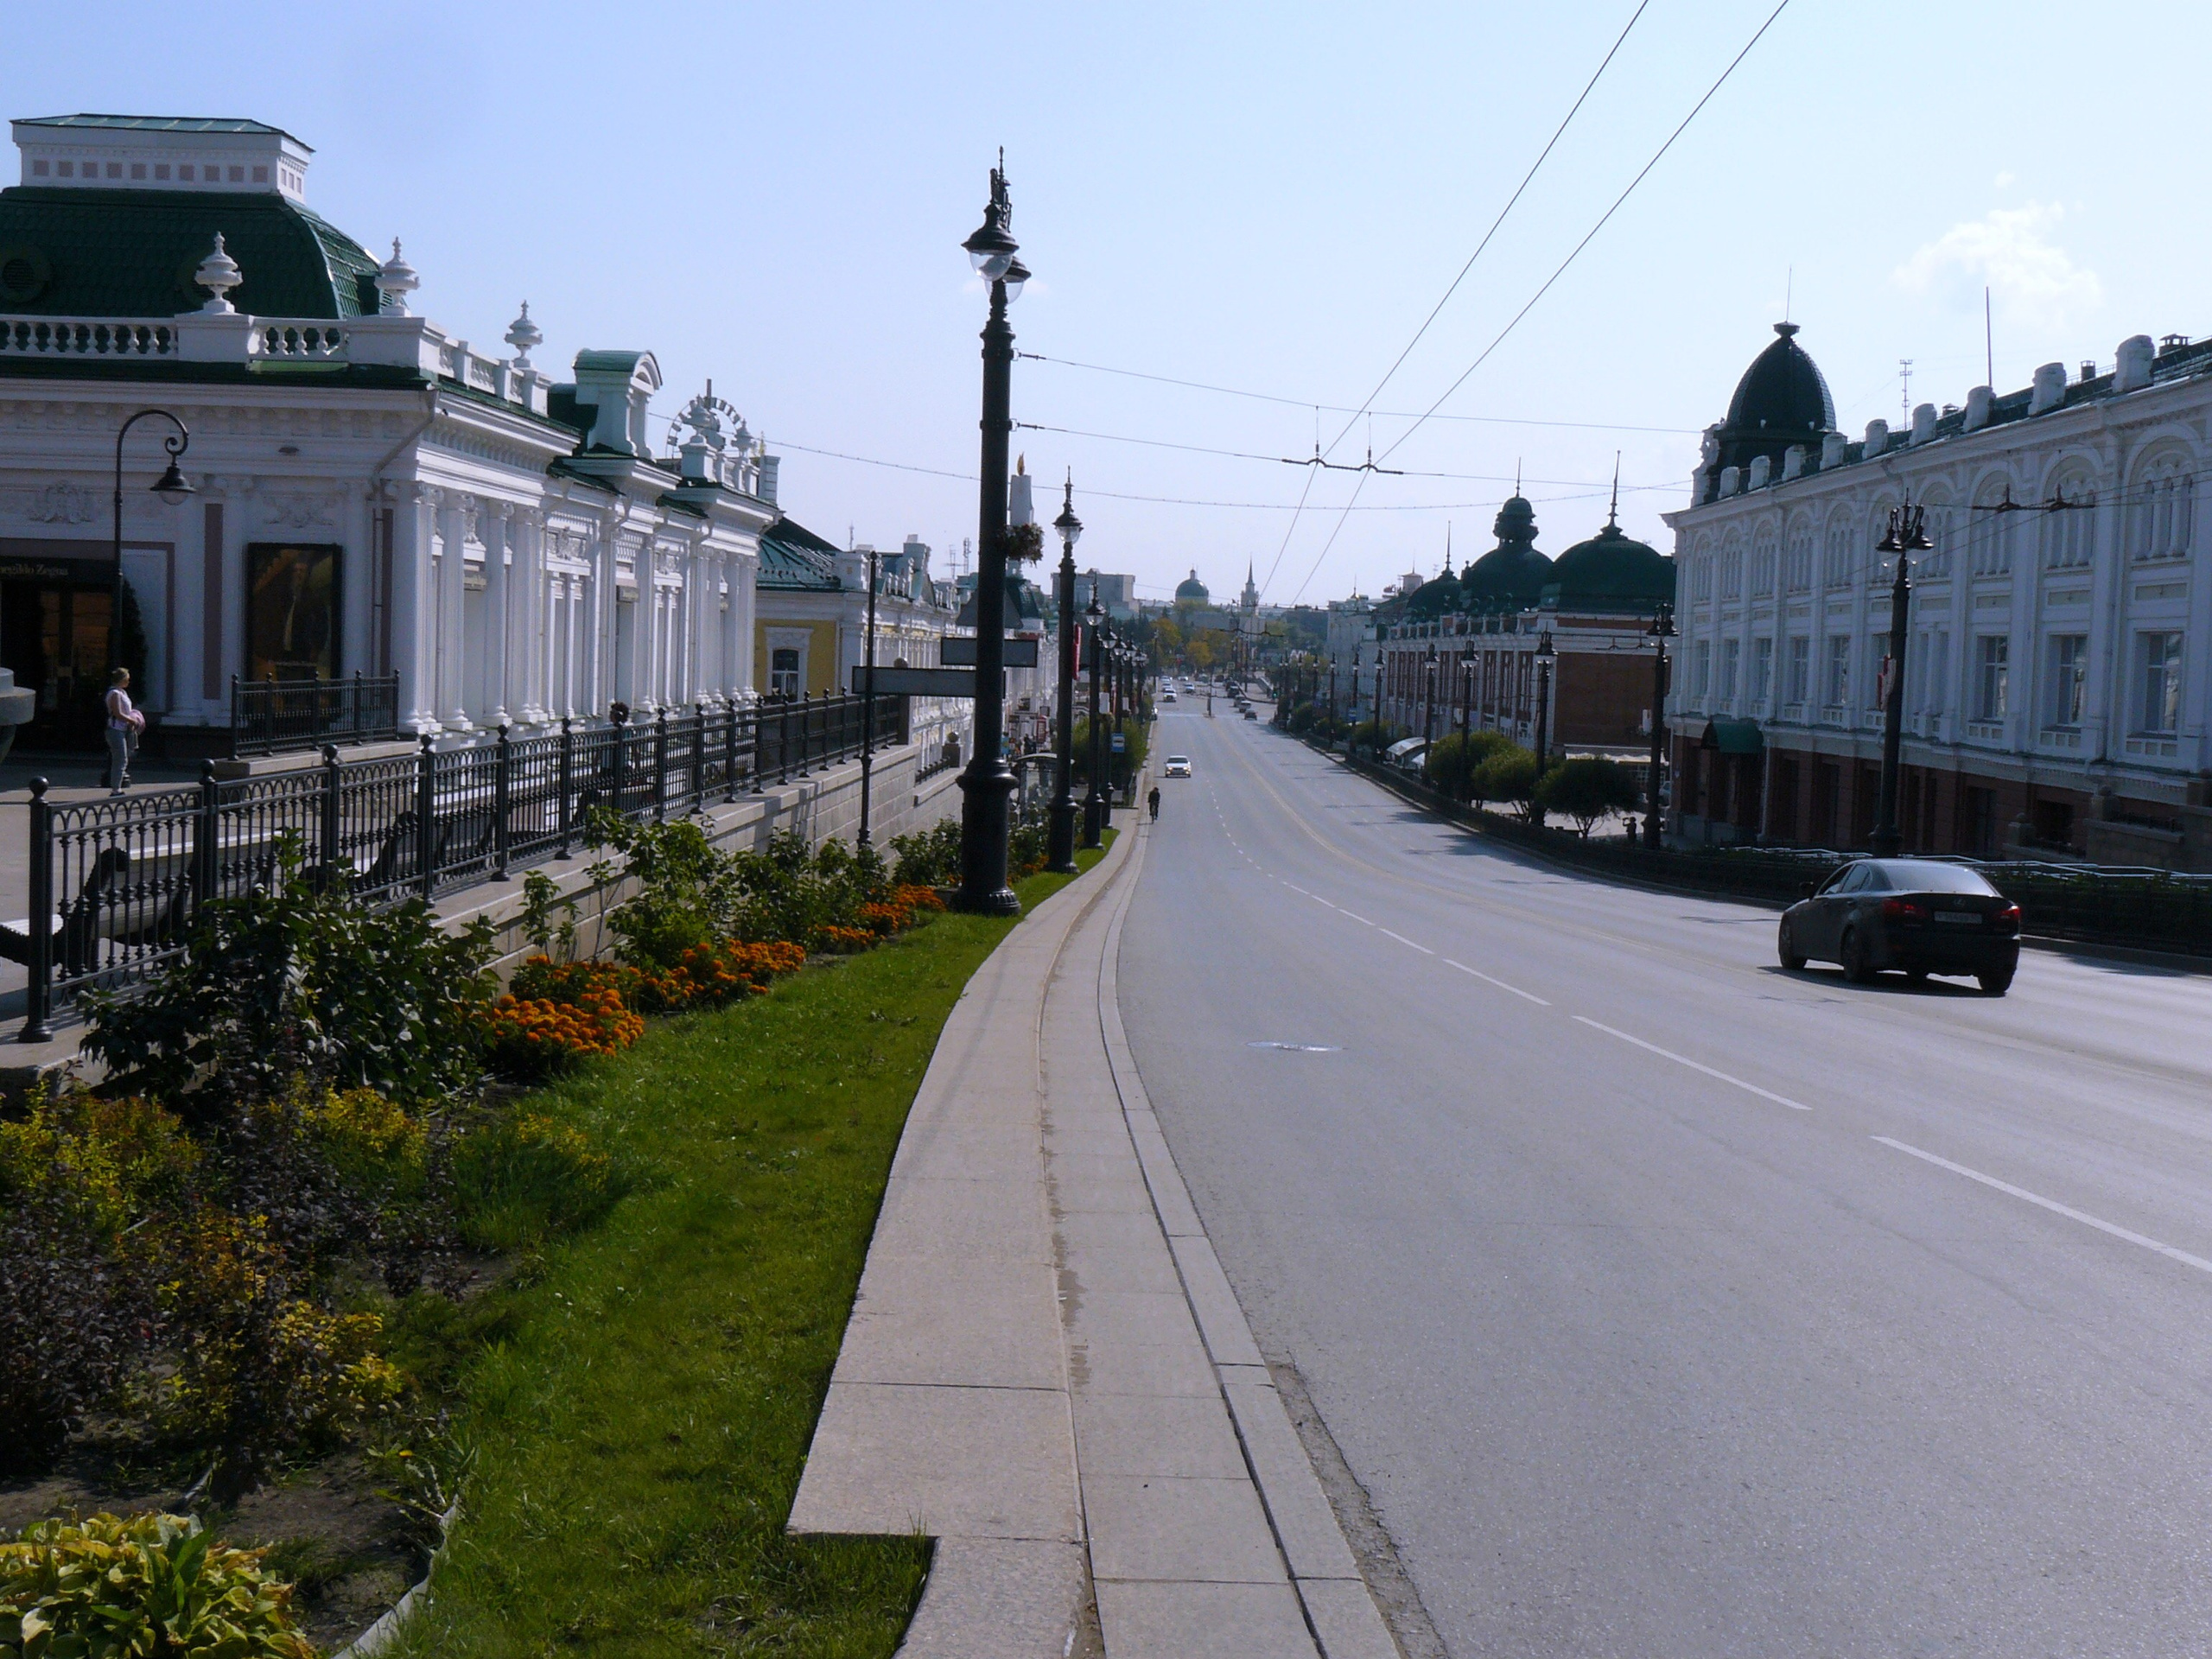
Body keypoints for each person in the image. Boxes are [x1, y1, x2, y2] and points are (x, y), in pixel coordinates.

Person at [104, 667, 143, 795]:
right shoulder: (115, 693)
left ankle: (117, 786)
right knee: (120, 758)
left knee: (124, 757)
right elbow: (118, 713)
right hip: (115, 730)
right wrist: (132, 721)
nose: (129, 681)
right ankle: (116, 789)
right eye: (127, 679)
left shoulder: (122, 693)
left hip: (124, 729)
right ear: (122, 679)